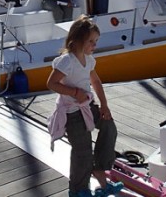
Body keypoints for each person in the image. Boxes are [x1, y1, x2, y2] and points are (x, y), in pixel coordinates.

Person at [46, 16, 124, 197]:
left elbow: (95, 81)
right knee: (83, 151)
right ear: (78, 40)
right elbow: (51, 83)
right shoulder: (67, 61)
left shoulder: (88, 60)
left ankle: (99, 169)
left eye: (96, 41)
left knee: (109, 126)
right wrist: (74, 93)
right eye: (91, 41)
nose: (94, 45)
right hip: (72, 113)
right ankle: (78, 191)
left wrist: (104, 106)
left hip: (88, 107)